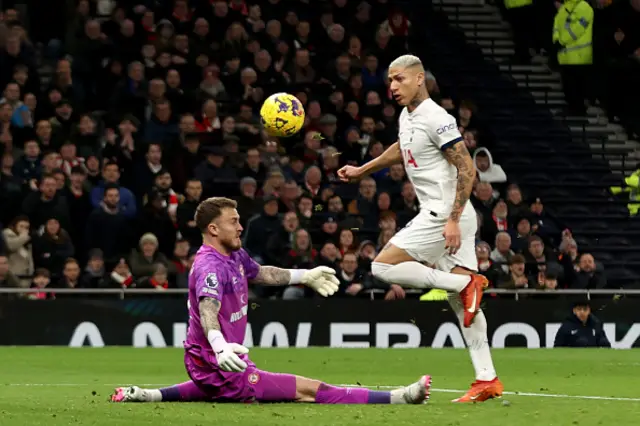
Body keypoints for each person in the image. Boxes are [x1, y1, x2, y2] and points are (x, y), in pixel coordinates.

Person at [111, 197, 431, 405]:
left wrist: (303, 276)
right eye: (233, 221)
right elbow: (208, 308)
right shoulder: (208, 265)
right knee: (312, 390)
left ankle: (147, 394)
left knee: (208, 387)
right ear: (212, 229)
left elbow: (261, 273)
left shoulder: (233, 254)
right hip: (221, 363)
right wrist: (219, 344)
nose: (239, 226)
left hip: (208, 364)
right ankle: (398, 397)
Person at [337, 54, 503, 403]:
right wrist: (363, 170)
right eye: (390, 82)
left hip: (445, 213)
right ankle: (486, 378)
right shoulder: (408, 116)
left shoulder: (437, 117)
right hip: (447, 214)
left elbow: (467, 168)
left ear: (419, 79)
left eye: (399, 80)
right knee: (463, 305)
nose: (393, 87)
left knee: (382, 266)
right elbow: (404, 148)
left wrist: (453, 219)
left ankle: (466, 282)